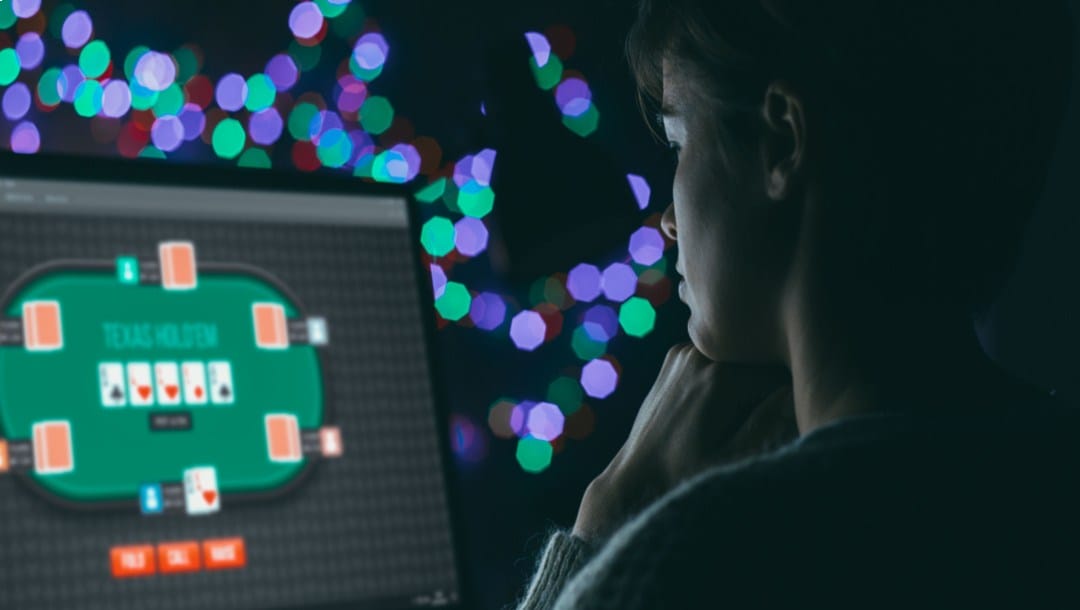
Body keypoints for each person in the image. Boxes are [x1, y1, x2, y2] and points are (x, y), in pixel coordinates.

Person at [513, 0, 1080, 607]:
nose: (669, 221)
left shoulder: (689, 562)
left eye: (678, 142)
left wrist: (601, 531)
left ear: (783, 139)